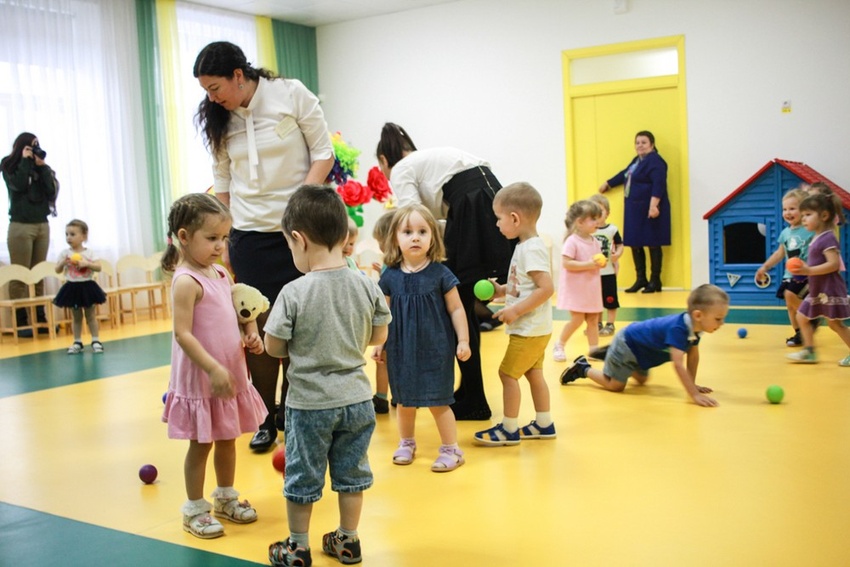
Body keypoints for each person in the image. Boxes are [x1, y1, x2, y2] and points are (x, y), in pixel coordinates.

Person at [193, 41, 335, 452]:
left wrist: (300, 208)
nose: (211, 96)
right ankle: (262, 415)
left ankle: (293, 410)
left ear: (239, 75)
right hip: (250, 237)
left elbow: (323, 154)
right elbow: (222, 180)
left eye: (215, 86)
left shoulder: (291, 94)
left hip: (298, 234)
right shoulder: (221, 118)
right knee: (255, 325)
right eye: (205, 90)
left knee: (299, 327)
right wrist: (223, 234)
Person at [264, 185, 391, 566]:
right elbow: (379, 335)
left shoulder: (294, 291)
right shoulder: (365, 284)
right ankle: (348, 541)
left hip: (309, 404)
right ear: (343, 236)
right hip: (356, 399)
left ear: (299, 240)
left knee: (302, 476)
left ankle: (298, 546)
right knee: (352, 474)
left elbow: (274, 347)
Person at [376, 122, 514, 420]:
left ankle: (475, 398)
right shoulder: (428, 160)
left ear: (385, 161)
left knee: (458, 305)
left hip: (471, 203)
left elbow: (413, 219)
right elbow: (431, 223)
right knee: (462, 302)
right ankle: (469, 391)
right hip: (487, 193)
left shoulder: (400, 169)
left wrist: (394, 256)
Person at [160, 193, 268, 540]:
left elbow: (241, 310)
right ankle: (194, 507)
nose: (220, 245)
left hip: (230, 372)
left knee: (228, 439)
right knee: (201, 443)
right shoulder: (186, 281)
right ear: (184, 236)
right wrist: (212, 369)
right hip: (203, 376)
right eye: (211, 238)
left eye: (224, 238)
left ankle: (225, 496)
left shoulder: (220, 272)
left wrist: (251, 333)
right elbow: (183, 334)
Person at [374, 204, 469, 472]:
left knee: (439, 401)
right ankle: (406, 442)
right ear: (395, 239)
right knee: (404, 402)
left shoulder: (440, 273)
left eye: (422, 231)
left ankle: (452, 449)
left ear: (433, 238)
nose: (415, 237)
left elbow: (457, 308)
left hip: (435, 348)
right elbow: (384, 313)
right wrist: (379, 343)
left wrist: (463, 340)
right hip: (401, 349)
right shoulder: (390, 276)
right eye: (407, 231)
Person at [472, 183, 556, 446]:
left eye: (499, 219)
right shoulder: (525, 246)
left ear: (515, 218)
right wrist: (501, 291)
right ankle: (544, 423)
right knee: (533, 373)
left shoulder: (530, 248)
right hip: (536, 328)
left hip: (528, 328)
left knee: (507, 375)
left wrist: (516, 310)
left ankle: (508, 429)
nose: (497, 225)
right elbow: (525, 284)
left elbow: (546, 288)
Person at [560, 284, 729, 407]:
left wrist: (693, 384)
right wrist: (693, 394)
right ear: (698, 315)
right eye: (718, 319)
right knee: (616, 386)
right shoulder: (679, 328)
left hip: (639, 352)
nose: (722, 323)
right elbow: (678, 364)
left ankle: (612, 355)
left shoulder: (695, 329)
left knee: (642, 380)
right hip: (628, 344)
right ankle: (583, 368)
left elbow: (693, 355)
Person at [2, 132, 58, 337]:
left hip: (42, 225)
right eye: (31, 146)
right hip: (20, 226)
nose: (34, 149)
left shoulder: (41, 167)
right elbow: (17, 185)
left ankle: (40, 319)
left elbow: (51, 192)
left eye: (37, 146)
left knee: (38, 274)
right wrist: (25, 161)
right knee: (20, 275)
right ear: (21, 147)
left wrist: (41, 166)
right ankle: (21, 322)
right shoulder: (8, 164)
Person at [599, 130, 670, 294]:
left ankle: (655, 280)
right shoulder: (637, 161)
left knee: (653, 242)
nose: (640, 145)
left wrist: (654, 206)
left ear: (652, 144)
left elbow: (658, 184)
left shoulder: (656, 162)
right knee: (636, 242)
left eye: (643, 142)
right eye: (637, 142)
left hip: (649, 208)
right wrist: (608, 183)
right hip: (635, 209)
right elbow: (625, 174)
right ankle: (641, 279)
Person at [786, 193, 850, 365]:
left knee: (835, 325)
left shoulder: (828, 237)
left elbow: (834, 264)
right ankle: (809, 351)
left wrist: (809, 270)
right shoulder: (815, 237)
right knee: (802, 317)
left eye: (808, 215)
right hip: (817, 290)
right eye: (803, 214)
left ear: (823, 216)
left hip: (829, 289)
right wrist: (804, 271)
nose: (803, 218)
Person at [755, 189, 814, 347]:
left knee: (790, 296)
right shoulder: (785, 233)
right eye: (785, 209)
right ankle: (799, 332)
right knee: (789, 304)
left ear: (804, 210)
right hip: (789, 274)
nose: (788, 212)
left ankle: (810, 319)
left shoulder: (809, 230)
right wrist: (765, 267)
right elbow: (780, 253)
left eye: (792, 208)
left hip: (806, 275)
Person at [552, 200, 604, 363]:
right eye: (593, 219)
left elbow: (596, 259)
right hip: (577, 289)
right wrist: (588, 264)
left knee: (593, 319)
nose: (597, 222)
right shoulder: (572, 241)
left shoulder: (594, 241)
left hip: (591, 288)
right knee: (577, 319)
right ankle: (559, 344)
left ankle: (594, 350)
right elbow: (567, 263)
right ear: (580, 222)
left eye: (597, 218)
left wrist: (601, 262)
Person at [52, 219, 107, 354]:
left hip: (87, 287)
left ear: (84, 236)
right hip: (72, 288)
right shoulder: (65, 253)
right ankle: (77, 341)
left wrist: (86, 264)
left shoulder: (89, 253)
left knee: (90, 315)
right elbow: (57, 270)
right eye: (67, 234)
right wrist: (63, 263)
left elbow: (98, 267)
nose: (69, 237)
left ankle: (95, 340)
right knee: (76, 317)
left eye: (72, 234)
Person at [370, 210, 395, 414]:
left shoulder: (392, 264)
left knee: (383, 361)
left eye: (381, 241)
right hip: (400, 321)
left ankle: (380, 397)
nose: (379, 246)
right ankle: (399, 396)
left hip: (390, 321)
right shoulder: (399, 263)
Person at [589, 194, 623, 336]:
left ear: (607, 213)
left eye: (600, 211)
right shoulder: (589, 231)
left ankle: (610, 324)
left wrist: (617, 255)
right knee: (595, 300)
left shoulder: (612, 230)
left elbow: (620, 245)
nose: (596, 215)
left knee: (610, 299)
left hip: (608, 272)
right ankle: (597, 323)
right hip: (593, 272)